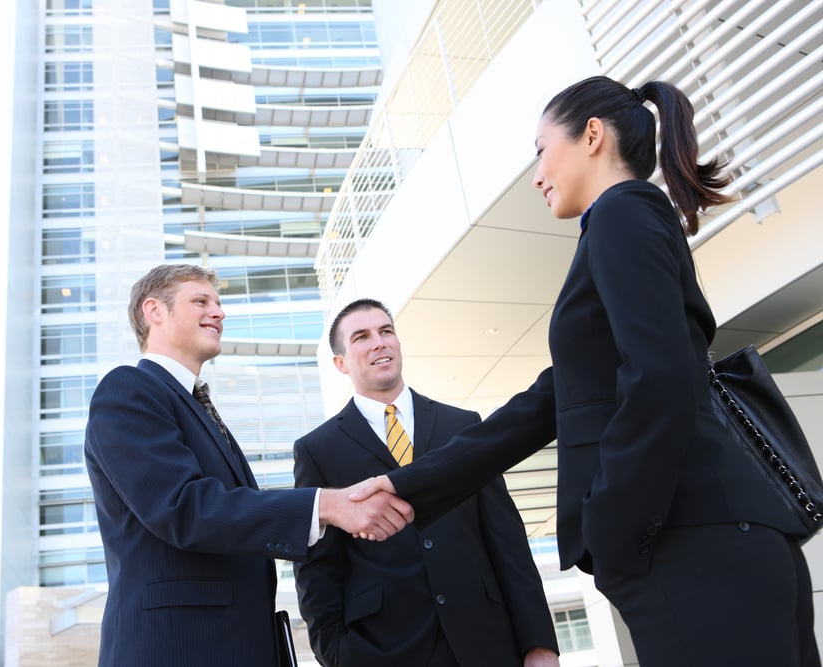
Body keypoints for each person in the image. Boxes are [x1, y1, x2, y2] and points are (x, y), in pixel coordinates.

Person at [350, 76, 821, 666]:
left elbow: (662, 378)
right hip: (714, 545)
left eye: (542, 149)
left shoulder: (622, 215)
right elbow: (549, 403)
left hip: (696, 547)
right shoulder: (625, 222)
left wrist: (615, 525)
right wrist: (407, 485)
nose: (538, 173)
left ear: (592, 136)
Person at [84, 264, 415, 667]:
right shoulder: (128, 390)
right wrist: (326, 505)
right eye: (201, 301)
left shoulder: (197, 407)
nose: (219, 312)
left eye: (219, 303)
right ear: (154, 311)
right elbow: (182, 508)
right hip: (176, 648)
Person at [292, 298, 560, 667]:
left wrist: (539, 644)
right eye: (362, 337)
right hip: (385, 650)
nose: (379, 342)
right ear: (340, 363)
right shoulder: (316, 450)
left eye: (386, 331)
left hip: (487, 642)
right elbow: (317, 567)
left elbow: (506, 539)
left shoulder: (463, 426)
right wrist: (337, 654)